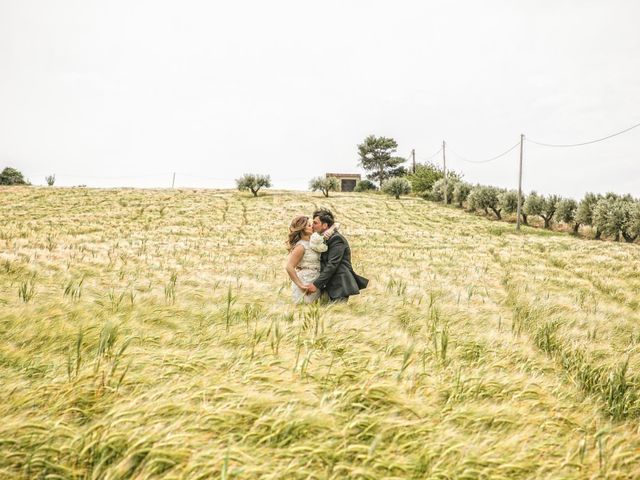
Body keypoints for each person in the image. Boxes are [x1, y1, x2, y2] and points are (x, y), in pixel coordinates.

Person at [305, 209, 368, 303]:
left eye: (315, 223)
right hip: (329, 284)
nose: (312, 225)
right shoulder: (321, 237)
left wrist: (316, 284)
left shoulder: (336, 239)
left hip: (339, 285)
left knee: (340, 314)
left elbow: (332, 264)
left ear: (325, 225)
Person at [285, 215, 339, 304]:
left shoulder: (314, 241)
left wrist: (330, 230)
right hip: (306, 281)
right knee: (305, 308)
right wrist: (300, 285)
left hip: (316, 282)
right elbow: (289, 267)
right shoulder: (301, 246)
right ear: (302, 229)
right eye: (309, 225)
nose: (313, 226)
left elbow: (336, 225)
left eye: (313, 224)